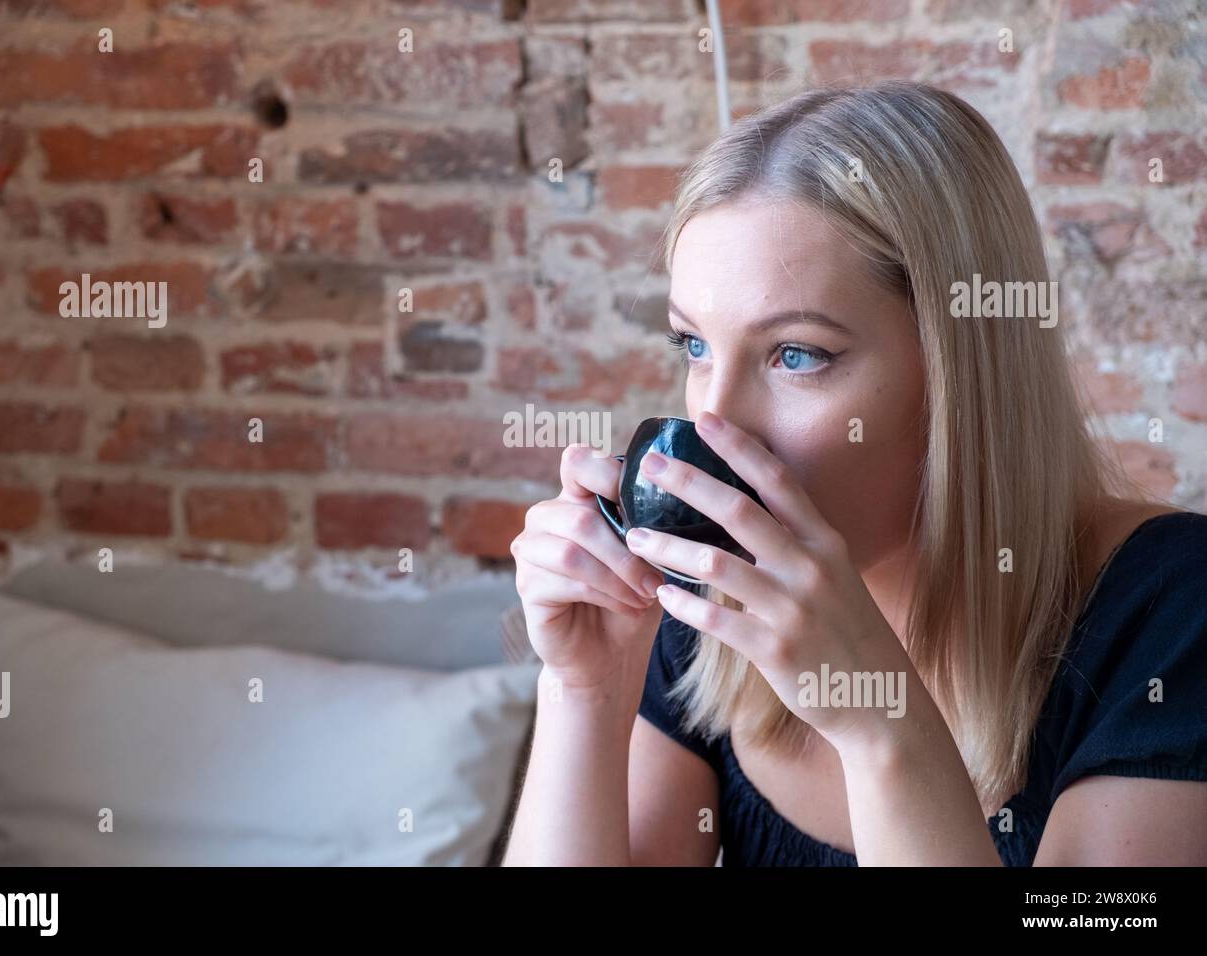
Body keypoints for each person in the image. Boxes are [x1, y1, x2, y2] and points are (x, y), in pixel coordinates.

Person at [501, 81, 1207, 866]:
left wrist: (880, 726)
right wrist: (586, 692)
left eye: (796, 355)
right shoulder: (708, 607)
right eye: (693, 346)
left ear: (957, 374)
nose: (714, 426)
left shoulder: (1174, 611)